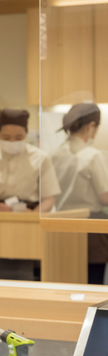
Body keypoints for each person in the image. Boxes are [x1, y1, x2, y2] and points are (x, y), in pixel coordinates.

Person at [51, 103, 108, 285]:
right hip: (90, 229)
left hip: (60, 225)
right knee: (91, 283)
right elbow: (104, 196)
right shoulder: (93, 155)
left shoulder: (53, 155)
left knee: (66, 280)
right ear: (91, 126)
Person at [0, 108, 60, 213]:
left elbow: (49, 199)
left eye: (18, 138)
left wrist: (33, 216)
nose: (12, 141)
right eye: (6, 137)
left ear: (26, 134)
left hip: (31, 213)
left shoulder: (42, 158)